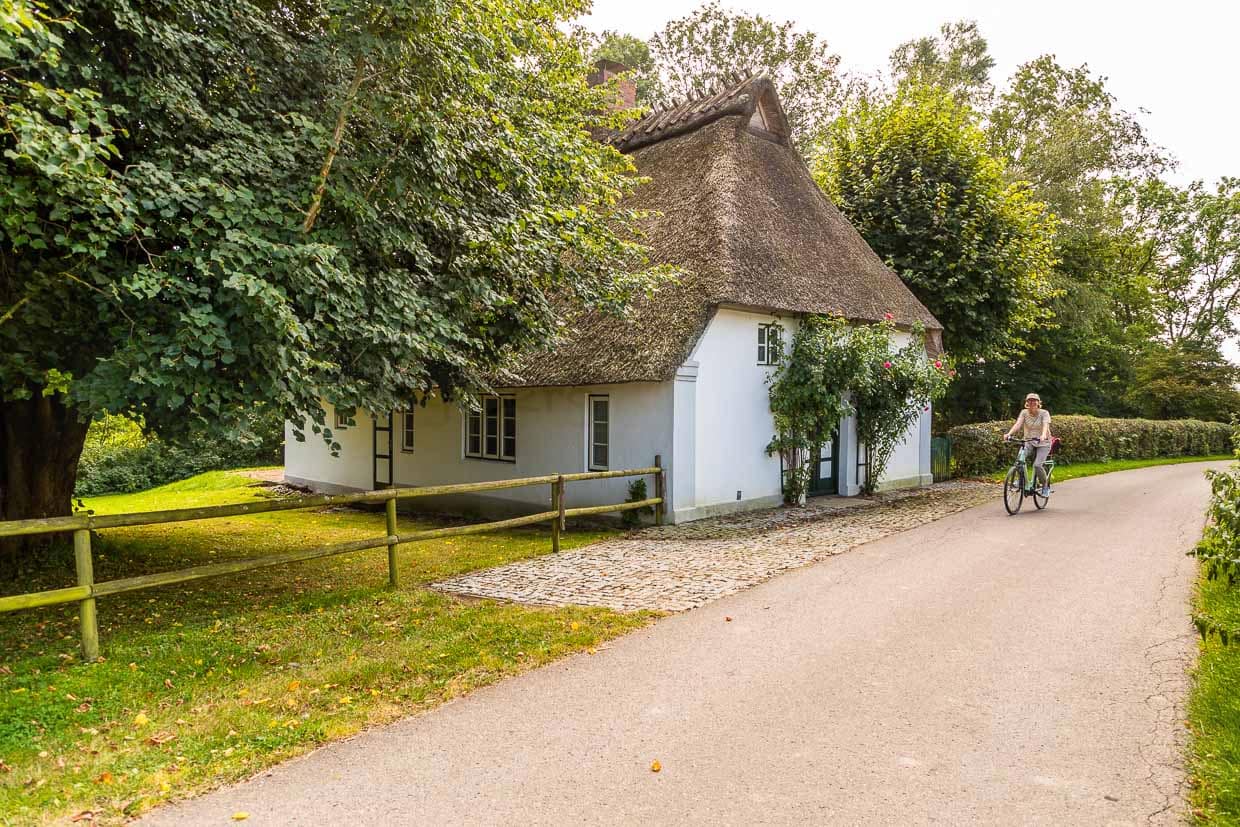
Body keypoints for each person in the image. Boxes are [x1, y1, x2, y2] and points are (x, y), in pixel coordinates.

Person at [1004, 393, 1053, 496]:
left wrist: (1043, 435)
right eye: (1029, 400)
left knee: (1037, 465)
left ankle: (1045, 486)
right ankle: (1020, 480)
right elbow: (1018, 424)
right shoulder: (1024, 413)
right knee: (1019, 460)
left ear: (1038, 402)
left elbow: (1045, 425)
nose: (1032, 402)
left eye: (1034, 400)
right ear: (1027, 402)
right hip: (1029, 441)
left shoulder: (1044, 413)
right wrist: (1009, 434)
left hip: (1043, 442)